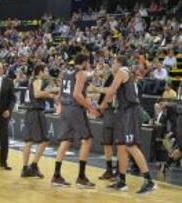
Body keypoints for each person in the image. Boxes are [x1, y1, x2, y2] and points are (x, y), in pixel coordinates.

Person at [100, 55, 156, 194]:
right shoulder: (123, 73)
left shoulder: (122, 71)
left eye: (113, 62)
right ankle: (122, 180)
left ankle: (149, 181)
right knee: (121, 147)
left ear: (119, 63)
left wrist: (102, 104)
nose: (112, 64)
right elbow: (110, 91)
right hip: (123, 112)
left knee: (131, 146)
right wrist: (96, 90)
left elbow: (111, 91)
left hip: (130, 111)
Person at [51, 54, 99, 188]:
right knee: (87, 140)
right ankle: (81, 177)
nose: (88, 66)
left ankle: (56, 176)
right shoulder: (82, 73)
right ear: (84, 63)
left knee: (66, 141)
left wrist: (60, 107)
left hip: (66, 108)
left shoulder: (66, 73)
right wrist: (90, 107)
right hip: (75, 109)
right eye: (88, 63)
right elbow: (77, 95)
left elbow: (59, 96)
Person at [20, 64, 55, 179]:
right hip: (36, 112)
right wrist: (49, 94)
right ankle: (33, 166)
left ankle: (25, 169)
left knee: (29, 141)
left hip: (29, 112)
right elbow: (37, 94)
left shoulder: (32, 80)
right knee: (44, 140)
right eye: (46, 70)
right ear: (40, 72)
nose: (47, 72)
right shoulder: (38, 80)